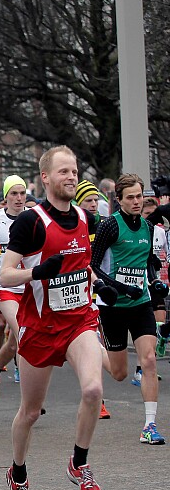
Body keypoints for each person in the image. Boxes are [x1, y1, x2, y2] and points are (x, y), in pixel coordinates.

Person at [0, 145, 105, 490]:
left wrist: (101, 284)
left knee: (93, 389)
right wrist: (38, 273)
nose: (71, 176)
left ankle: (79, 463)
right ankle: (18, 476)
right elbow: (5, 274)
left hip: (79, 321)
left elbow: (83, 266)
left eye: (74, 170)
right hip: (41, 327)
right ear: (45, 177)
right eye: (63, 171)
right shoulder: (31, 221)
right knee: (30, 412)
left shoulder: (85, 217)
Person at [90, 174, 166, 444]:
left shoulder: (148, 227)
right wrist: (119, 288)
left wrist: (154, 282)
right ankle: (93, 350)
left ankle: (149, 426)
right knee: (120, 373)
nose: (136, 202)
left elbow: (148, 262)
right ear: (119, 200)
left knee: (149, 360)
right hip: (113, 306)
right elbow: (93, 265)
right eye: (130, 197)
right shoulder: (110, 226)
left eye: (139, 197)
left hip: (140, 303)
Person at [0, 176, 29, 398]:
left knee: (13, 343)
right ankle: (29, 398)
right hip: (5, 286)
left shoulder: (34, 217)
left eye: (22, 193)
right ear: (6, 196)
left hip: (30, 286)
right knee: (23, 334)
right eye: (14, 194)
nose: (19, 198)